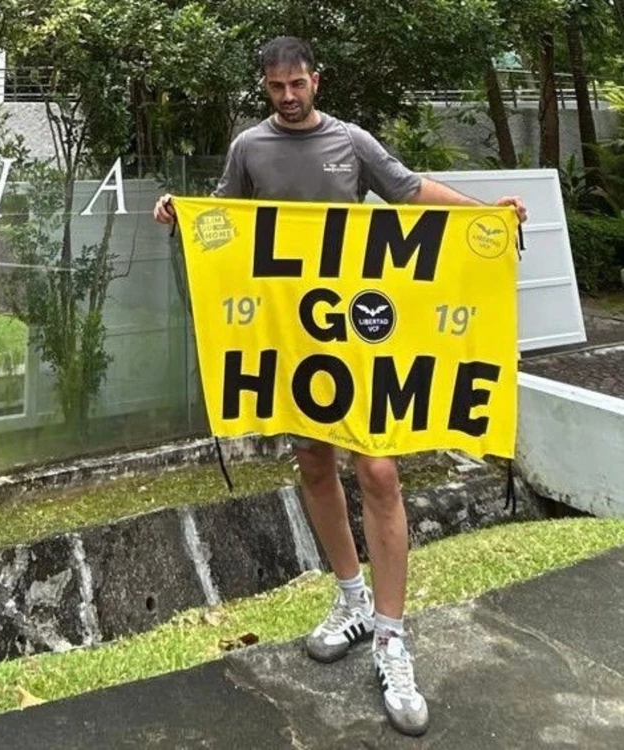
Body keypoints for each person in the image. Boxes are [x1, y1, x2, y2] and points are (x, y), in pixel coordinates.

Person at [154, 36, 527, 738]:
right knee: (314, 464)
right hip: (299, 344)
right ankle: (351, 599)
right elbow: (228, 225)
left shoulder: (350, 140)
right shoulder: (249, 149)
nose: (288, 98)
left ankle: (391, 636)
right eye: (276, 88)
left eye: (298, 85)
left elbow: (410, 191)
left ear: (315, 81)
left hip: (361, 338)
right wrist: (184, 214)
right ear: (263, 87)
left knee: (379, 472)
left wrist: (487, 217)